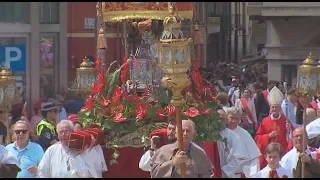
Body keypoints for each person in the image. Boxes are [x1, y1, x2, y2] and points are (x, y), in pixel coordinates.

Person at [36, 120, 102, 178]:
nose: (63, 134)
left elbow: (85, 174)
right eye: (61, 132)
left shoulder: (81, 149)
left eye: (66, 131)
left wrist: (77, 156)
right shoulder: (51, 150)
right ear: (57, 134)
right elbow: (42, 171)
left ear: (72, 132)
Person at [200, 107, 247, 178]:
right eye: (217, 118)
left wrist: (222, 171)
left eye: (222, 119)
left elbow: (238, 158)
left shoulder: (233, 136)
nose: (219, 121)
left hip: (225, 174)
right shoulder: (206, 135)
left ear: (226, 121)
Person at [255, 86, 294, 169]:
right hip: (269, 154)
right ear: (270, 108)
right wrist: (268, 136)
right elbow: (258, 137)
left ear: (280, 107)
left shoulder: (285, 120)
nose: (274, 109)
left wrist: (289, 129)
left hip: (282, 153)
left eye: (276, 107)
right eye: (272, 107)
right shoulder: (265, 121)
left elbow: (293, 136)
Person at [225, 106, 261, 178]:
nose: (234, 121)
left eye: (236, 119)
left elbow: (254, 158)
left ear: (240, 120)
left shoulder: (244, 134)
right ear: (227, 117)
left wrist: (253, 175)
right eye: (231, 118)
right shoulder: (221, 133)